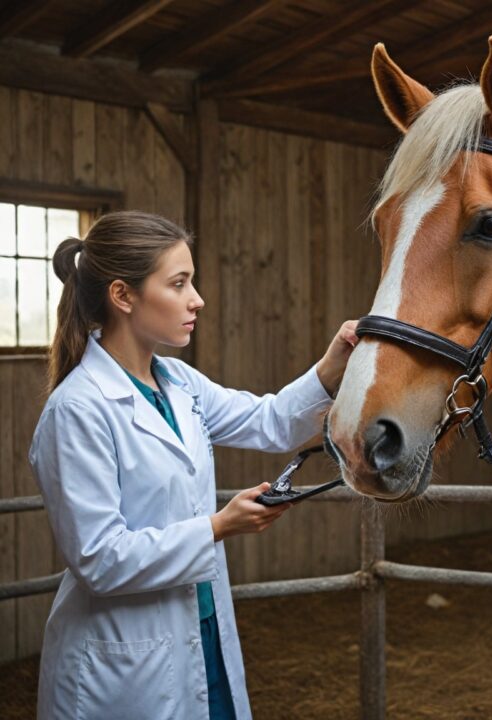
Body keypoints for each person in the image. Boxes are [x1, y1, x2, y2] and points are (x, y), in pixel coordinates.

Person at [28, 211, 358, 720]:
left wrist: (332, 364)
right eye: (179, 283)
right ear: (123, 296)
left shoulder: (178, 381)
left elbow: (269, 421)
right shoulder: (78, 409)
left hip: (200, 630)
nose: (196, 298)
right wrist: (218, 527)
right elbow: (99, 558)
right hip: (127, 657)